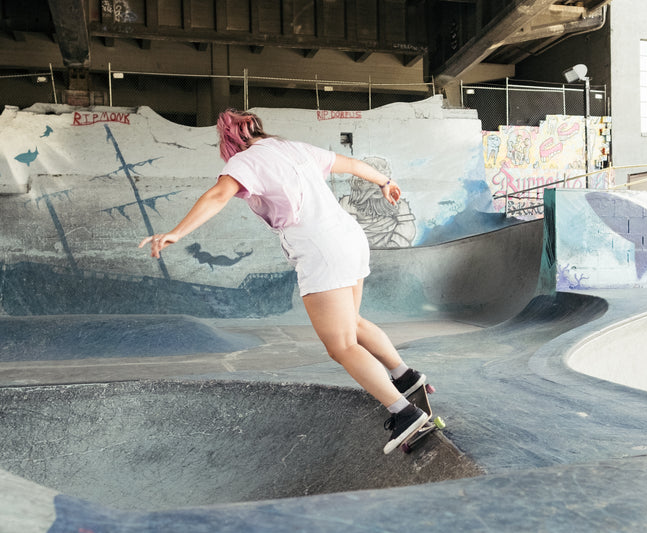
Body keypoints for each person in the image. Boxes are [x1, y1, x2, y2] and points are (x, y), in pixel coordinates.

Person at [139, 109, 429, 453]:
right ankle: (405, 376)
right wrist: (385, 182)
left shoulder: (245, 161)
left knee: (341, 345)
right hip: (350, 237)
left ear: (230, 142)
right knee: (353, 321)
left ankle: (403, 412)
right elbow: (351, 164)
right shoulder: (296, 149)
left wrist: (176, 232)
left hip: (321, 250)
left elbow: (218, 195)